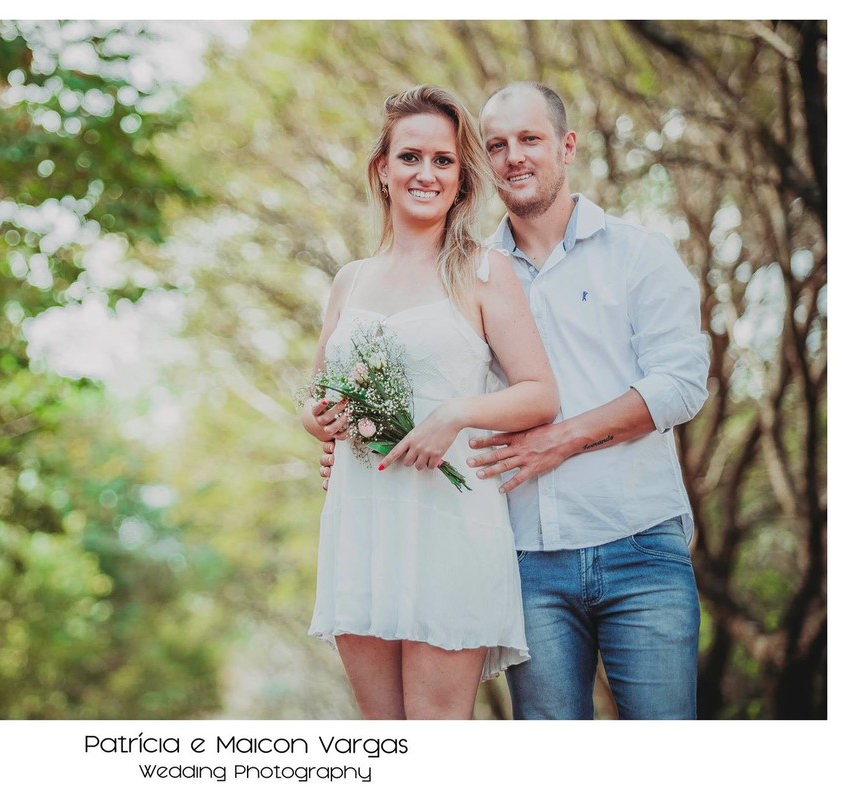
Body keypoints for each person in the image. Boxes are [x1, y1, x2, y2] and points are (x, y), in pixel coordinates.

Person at [319, 82, 710, 719]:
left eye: (530, 139)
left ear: (567, 146)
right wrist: (356, 439)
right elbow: (416, 381)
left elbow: (681, 384)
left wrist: (563, 438)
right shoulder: (465, 267)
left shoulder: (637, 253)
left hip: (638, 541)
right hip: (527, 553)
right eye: (497, 145)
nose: (514, 157)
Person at [300, 85, 558, 720]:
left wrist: (455, 414)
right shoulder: (350, 280)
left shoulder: (483, 271)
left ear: (461, 177)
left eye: (444, 160)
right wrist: (318, 420)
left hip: (449, 529)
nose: (426, 173)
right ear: (382, 169)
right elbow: (316, 397)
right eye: (410, 157)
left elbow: (540, 394)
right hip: (361, 526)